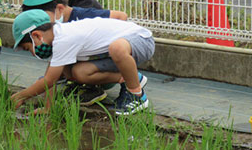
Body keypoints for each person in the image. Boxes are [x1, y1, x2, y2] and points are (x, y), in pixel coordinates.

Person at [21, 0, 141, 106]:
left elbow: (121, 16)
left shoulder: (81, 15)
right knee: (68, 70)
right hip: (84, 65)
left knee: (75, 69)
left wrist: (107, 51)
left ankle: (128, 83)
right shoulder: (53, 30)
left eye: (40, 13)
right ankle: (79, 85)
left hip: (111, 60)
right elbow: (51, 73)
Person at [10, 9, 155, 115]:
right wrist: (49, 108)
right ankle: (131, 78)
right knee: (77, 73)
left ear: (36, 35)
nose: (31, 52)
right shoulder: (59, 38)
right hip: (114, 53)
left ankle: (136, 94)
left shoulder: (64, 38)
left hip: (141, 40)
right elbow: (52, 78)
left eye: (27, 47)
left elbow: (49, 80)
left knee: (116, 48)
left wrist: (20, 96)